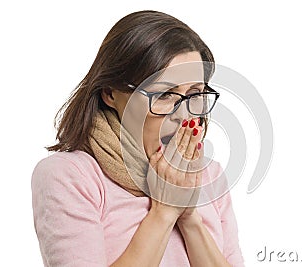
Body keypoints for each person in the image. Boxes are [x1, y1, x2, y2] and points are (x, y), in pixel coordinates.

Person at [31, 10, 244, 267]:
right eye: (164, 95)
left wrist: (189, 218)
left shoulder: (210, 176)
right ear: (110, 93)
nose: (183, 114)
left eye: (195, 94)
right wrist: (164, 212)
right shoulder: (69, 175)